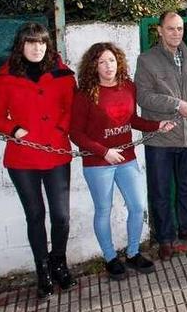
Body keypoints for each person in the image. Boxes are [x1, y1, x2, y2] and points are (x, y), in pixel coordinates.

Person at [0, 22, 77, 298]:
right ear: (20, 45)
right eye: (30, 42)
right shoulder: (4, 78)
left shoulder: (63, 75)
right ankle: (43, 272)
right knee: (35, 216)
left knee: (61, 216)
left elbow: (71, 107)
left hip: (57, 153)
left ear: (48, 45)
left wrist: (60, 129)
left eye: (41, 42)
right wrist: (14, 130)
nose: (37, 48)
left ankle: (58, 262)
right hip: (22, 158)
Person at [71, 43, 175, 279]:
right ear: (93, 67)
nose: (108, 66)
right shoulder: (85, 93)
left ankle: (133, 253)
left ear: (118, 62)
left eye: (111, 60)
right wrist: (103, 151)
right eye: (101, 62)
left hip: (127, 158)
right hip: (98, 162)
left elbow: (133, 120)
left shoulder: (128, 86)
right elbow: (75, 133)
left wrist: (157, 126)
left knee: (138, 206)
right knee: (103, 210)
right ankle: (109, 258)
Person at [135, 11, 187, 259]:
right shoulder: (146, 60)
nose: (177, 33)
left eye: (180, 29)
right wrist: (177, 105)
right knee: (161, 190)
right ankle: (165, 238)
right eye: (171, 29)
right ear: (160, 30)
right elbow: (143, 96)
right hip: (161, 139)